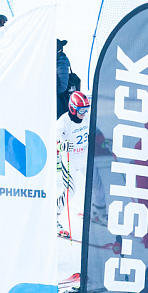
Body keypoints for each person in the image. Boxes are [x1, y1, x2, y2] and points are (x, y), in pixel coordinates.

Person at [56, 91, 92, 237]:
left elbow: (96, 131)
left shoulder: (87, 117)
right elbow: (51, 142)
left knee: (96, 183)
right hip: (70, 159)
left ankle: (97, 212)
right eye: (81, 110)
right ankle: (53, 216)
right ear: (72, 108)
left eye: (86, 110)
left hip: (85, 156)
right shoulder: (63, 122)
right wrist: (61, 146)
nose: (84, 114)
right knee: (70, 190)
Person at [56, 39, 70, 119]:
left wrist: (51, 93)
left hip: (59, 102)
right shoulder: (55, 61)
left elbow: (62, 86)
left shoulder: (61, 63)